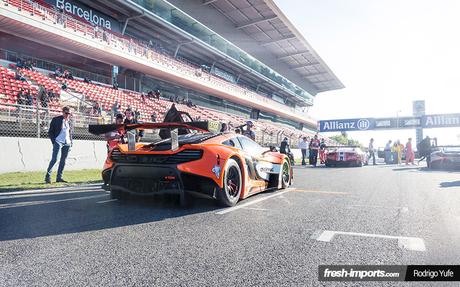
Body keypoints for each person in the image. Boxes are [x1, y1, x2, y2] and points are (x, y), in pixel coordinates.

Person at [45, 106, 73, 183]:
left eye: (69, 113)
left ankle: (59, 177)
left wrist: (71, 143)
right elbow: (50, 132)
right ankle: (47, 177)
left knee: (63, 160)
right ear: (63, 112)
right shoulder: (56, 120)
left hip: (67, 143)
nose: (68, 115)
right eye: (66, 113)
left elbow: (70, 133)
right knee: (55, 159)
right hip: (58, 141)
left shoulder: (70, 121)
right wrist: (54, 141)